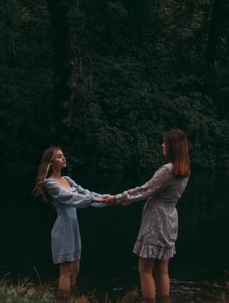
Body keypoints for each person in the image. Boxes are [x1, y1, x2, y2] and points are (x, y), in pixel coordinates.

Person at [105, 129, 190, 303]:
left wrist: (118, 198)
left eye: (165, 143)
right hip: (170, 219)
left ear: (172, 147)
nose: (162, 145)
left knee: (145, 269)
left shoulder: (167, 169)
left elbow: (146, 190)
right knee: (163, 270)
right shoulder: (184, 170)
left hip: (157, 220)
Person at [33, 146, 106, 298]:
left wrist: (110, 198)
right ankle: (64, 299)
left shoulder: (67, 180)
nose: (63, 158)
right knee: (65, 271)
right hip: (63, 229)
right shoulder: (50, 183)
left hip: (74, 229)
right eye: (59, 156)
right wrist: (93, 198)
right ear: (51, 163)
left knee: (75, 270)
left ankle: (72, 297)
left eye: (63, 155)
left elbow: (86, 193)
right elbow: (71, 198)